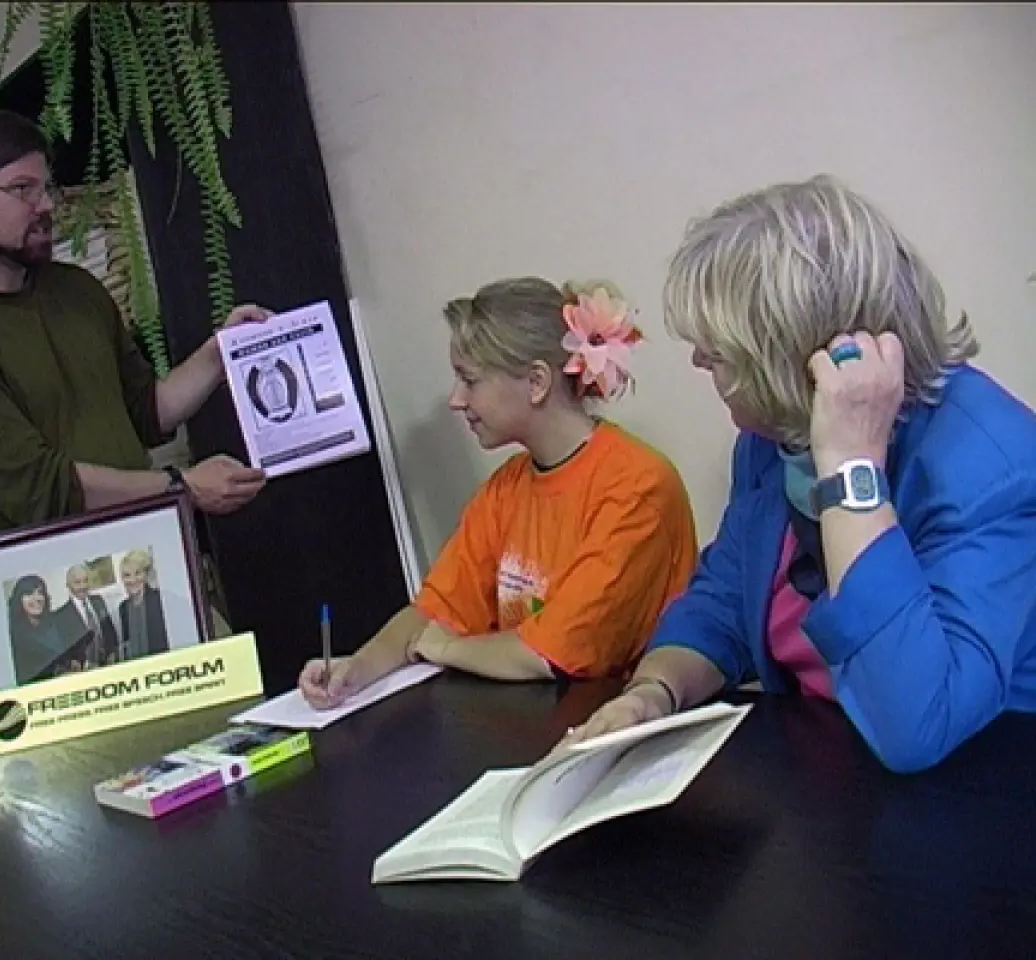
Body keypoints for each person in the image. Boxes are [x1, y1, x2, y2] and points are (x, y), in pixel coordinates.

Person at [563, 175, 1036, 773]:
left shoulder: (994, 467)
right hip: (829, 770)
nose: (698, 360)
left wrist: (851, 468)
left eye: (717, 349)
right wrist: (653, 693)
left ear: (791, 354)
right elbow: (723, 601)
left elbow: (917, 724)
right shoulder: (773, 442)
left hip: (979, 787)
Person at [299, 277, 699, 707]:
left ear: (537, 382)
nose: (456, 400)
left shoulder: (638, 485)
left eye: (469, 380)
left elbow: (554, 653)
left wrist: (444, 648)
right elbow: (435, 610)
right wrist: (355, 671)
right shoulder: (505, 487)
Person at [0, 110, 269, 540]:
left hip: (153, 546)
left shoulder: (76, 289)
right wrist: (181, 485)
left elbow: (143, 413)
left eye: (47, 188)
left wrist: (218, 355)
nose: (46, 205)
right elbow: (43, 489)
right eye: (23, 189)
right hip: (61, 571)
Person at [54, 564, 120, 670]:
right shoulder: (61, 616)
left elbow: (110, 631)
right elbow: (62, 652)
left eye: (85, 581)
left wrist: (112, 653)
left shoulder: (98, 601)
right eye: (77, 582)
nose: (83, 586)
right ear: (68, 585)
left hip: (109, 666)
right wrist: (72, 664)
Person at [6, 574, 65, 684]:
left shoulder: (58, 622)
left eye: (40, 593)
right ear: (19, 600)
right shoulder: (13, 637)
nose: (37, 598)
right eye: (29, 594)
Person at [117, 549, 170, 660]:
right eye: (127, 575)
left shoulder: (160, 599)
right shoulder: (123, 608)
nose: (132, 580)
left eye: (137, 573)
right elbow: (127, 644)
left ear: (145, 575)